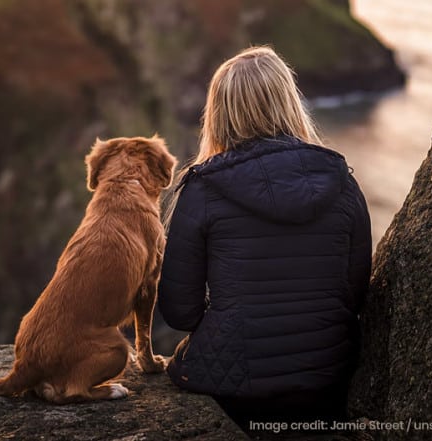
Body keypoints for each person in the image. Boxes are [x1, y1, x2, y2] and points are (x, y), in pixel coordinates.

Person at [158, 46, 371, 427]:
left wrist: (233, 316)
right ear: (289, 101)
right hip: (327, 379)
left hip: (236, 391)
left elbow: (179, 312)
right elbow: (353, 295)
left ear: (219, 113)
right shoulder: (342, 181)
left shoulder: (203, 188)